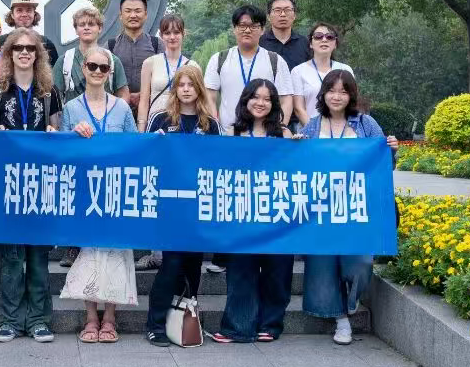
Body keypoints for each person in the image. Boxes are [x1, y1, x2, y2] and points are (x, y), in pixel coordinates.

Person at [300, 69, 398, 344]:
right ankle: (341, 320)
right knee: (324, 264)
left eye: (343, 92)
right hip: (322, 209)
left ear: (351, 95)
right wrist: (296, 146)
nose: (337, 96)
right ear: (323, 94)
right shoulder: (312, 126)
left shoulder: (366, 124)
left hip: (357, 208)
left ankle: (353, 299)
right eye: (331, 91)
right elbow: (299, 166)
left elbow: (384, 166)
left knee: (360, 262)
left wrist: (391, 150)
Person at [0, 29, 62, 344]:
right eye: (18, 48)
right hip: (7, 183)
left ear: (38, 54)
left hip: (41, 182)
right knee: (11, 256)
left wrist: (54, 133)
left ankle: (39, 320)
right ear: (10, 53)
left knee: (39, 256)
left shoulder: (49, 91)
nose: (25, 52)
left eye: (30, 48)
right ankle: (10, 320)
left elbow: (57, 131)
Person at [59, 47, 138, 343]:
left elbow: (134, 146)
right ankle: (91, 318)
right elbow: (63, 149)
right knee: (89, 253)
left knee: (115, 252)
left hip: (115, 187)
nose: (97, 71)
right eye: (92, 66)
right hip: (85, 189)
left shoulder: (121, 107)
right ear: (83, 69)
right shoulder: (71, 108)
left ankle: (110, 318)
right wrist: (73, 134)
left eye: (103, 68)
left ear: (110, 73)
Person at [213, 79, 294, 344]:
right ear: (246, 100)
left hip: (277, 214)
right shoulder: (232, 133)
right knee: (240, 271)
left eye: (267, 99)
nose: (261, 103)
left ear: (274, 104)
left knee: (277, 271)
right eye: (256, 97)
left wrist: (299, 150)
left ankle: (271, 324)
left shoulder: (284, 134)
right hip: (242, 214)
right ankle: (237, 327)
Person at [144, 67, 221, 346]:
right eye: (181, 85)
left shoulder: (210, 124)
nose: (186, 89)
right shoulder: (161, 118)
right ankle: (155, 324)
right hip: (169, 204)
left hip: (197, 205)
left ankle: (185, 320)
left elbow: (219, 162)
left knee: (193, 265)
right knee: (172, 262)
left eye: (191, 84)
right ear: (174, 89)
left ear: (199, 89)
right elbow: (146, 155)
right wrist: (156, 144)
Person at [52, 6, 131, 269]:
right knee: (78, 192)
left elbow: (122, 92)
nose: (86, 27)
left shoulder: (112, 60)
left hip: (108, 129)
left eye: (91, 23)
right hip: (77, 129)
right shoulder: (65, 60)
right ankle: (74, 245)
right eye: (81, 24)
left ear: (100, 28)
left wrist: (116, 114)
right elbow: (55, 96)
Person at [134, 12, 201, 270]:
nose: (172, 37)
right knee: (157, 188)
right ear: (161, 36)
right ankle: (156, 251)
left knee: (181, 188)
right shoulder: (151, 63)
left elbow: (201, 98)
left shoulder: (193, 65)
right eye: (167, 32)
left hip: (184, 131)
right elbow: (144, 98)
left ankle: (180, 246)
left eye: (176, 32)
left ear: (184, 34)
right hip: (158, 129)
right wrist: (142, 133)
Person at [204, 5, 294, 128]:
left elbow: (286, 99)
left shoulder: (275, 61)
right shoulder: (219, 59)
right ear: (234, 28)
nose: (247, 30)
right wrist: (216, 128)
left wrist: (279, 129)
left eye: (253, 26)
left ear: (262, 30)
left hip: (265, 135)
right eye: (242, 26)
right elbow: (209, 96)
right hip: (228, 133)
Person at [108, 0, 161, 118]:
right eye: (128, 11)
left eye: (138, 11)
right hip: (117, 110)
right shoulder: (110, 46)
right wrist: (124, 96)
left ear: (145, 14)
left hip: (151, 110)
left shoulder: (157, 44)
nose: (133, 15)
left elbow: (166, 76)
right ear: (121, 15)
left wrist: (143, 95)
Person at [291, 23, 354, 127]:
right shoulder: (298, 71)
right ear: (310, 44)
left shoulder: (346, 69)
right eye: (318, 36)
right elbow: (299, 108)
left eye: (330, 37)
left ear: (335, 44)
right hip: (309, 132)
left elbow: (352, 103)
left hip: (342, 131)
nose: (324, 40)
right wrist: (314, 131)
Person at [0, 0, 59, 67]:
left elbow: (54, 71)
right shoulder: (1, 42)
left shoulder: (46, 44)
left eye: (29, 10)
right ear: (12, 15)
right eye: (19, 10)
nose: (24, 14)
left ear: (34, 14)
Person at [260, 0, 311, 72]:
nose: (283, 14)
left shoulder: (306, 44)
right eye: (277, 10)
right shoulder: (259, 44)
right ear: (268, 16)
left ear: (294, 15)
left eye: (287, 10)